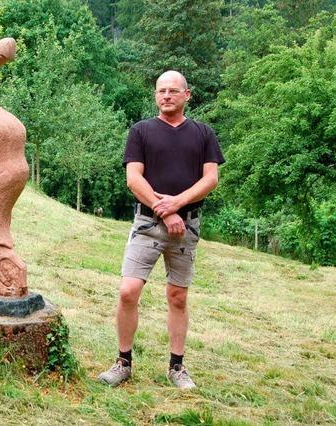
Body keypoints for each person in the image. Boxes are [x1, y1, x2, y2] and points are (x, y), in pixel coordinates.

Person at [98, 71, 224, 389]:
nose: (166, 95)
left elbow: (210, 179)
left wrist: (177, 205)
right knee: (128, 292)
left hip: (188, 226)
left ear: (187, 95)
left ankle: (176, 367)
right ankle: (123, 362)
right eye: (160, 91)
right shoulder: (141, 131)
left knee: (178, 296)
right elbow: (133, 179)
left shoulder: (204, 133)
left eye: (172, 91)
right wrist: (165, 212)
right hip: (147, 224)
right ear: (155, 95)